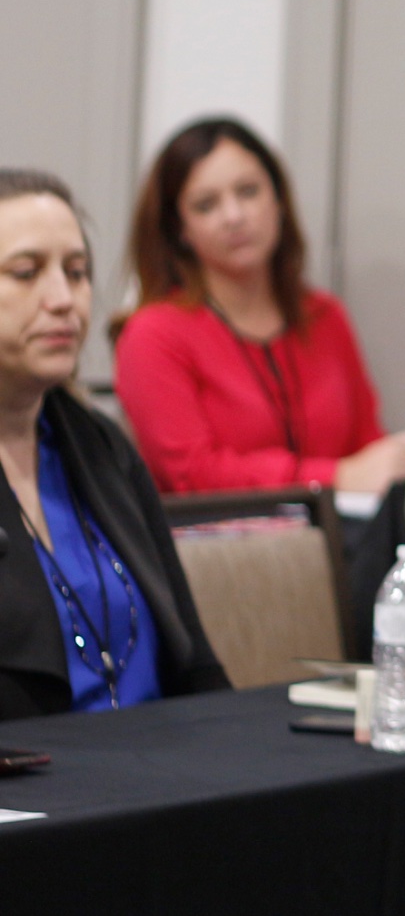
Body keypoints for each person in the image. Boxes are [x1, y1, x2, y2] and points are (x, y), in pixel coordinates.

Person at [0, 171, 228, 720]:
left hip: (157, 765)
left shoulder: (101, 446)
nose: (63, 299)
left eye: (76, 273)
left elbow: (193, 657)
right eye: (26, 273)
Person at [113, 117, 405, 497]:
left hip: (347, 544)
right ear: (180, 229)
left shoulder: (325, 315)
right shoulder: (153, 334)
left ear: (278, 200)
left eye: (249, 191)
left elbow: (368, 445)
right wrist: (335, 477)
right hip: (221, 552)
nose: (234, 216)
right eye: (207, 205)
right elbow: (192, 474)